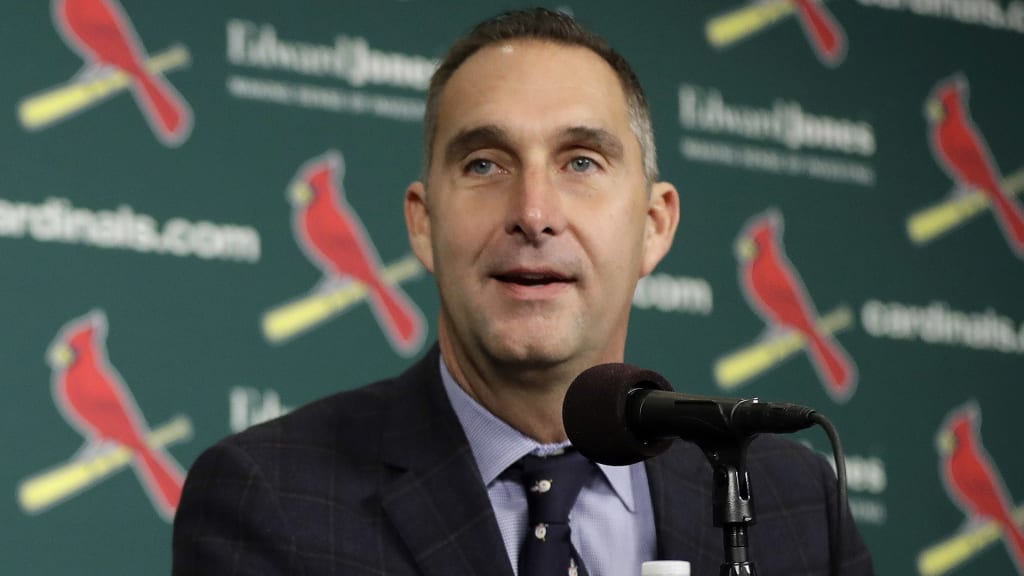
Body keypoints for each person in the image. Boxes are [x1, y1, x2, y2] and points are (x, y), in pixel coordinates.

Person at [173, 8, 874, 575]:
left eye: (580, 160)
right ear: (423, 223)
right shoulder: (270, 499)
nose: (533, 211)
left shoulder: (792, 501)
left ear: (654, 226)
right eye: (484, 163)